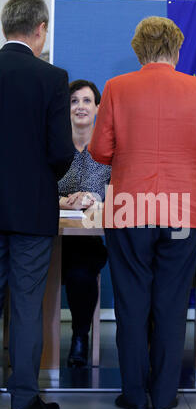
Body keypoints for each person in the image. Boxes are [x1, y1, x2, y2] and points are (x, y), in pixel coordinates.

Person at [89, 16, 196, 409]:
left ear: (137, 49)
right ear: (178, 48)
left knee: (132, 305)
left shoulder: (116, 88)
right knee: (170, 305)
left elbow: (100, 151)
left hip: (129, 208)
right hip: (183, 210)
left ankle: (134, 396)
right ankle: (165, 396)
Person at [0, 0, 74, 409]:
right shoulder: (52, 77)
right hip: (31, 211)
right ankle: (23, 401)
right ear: (41, 29)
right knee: (27, 306)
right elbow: (62, 152)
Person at [58, 80, 111, 367]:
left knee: (81, 275)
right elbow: (36, 189)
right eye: (73, 101)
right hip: (48, 238)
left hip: (88, 239)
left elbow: (120, 194)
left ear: (98, 108)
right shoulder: (54, 146)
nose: (80, 106)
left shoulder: (108, 149)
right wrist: (63, 202)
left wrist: (95, 201)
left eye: (86, 101)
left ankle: (80, 336)